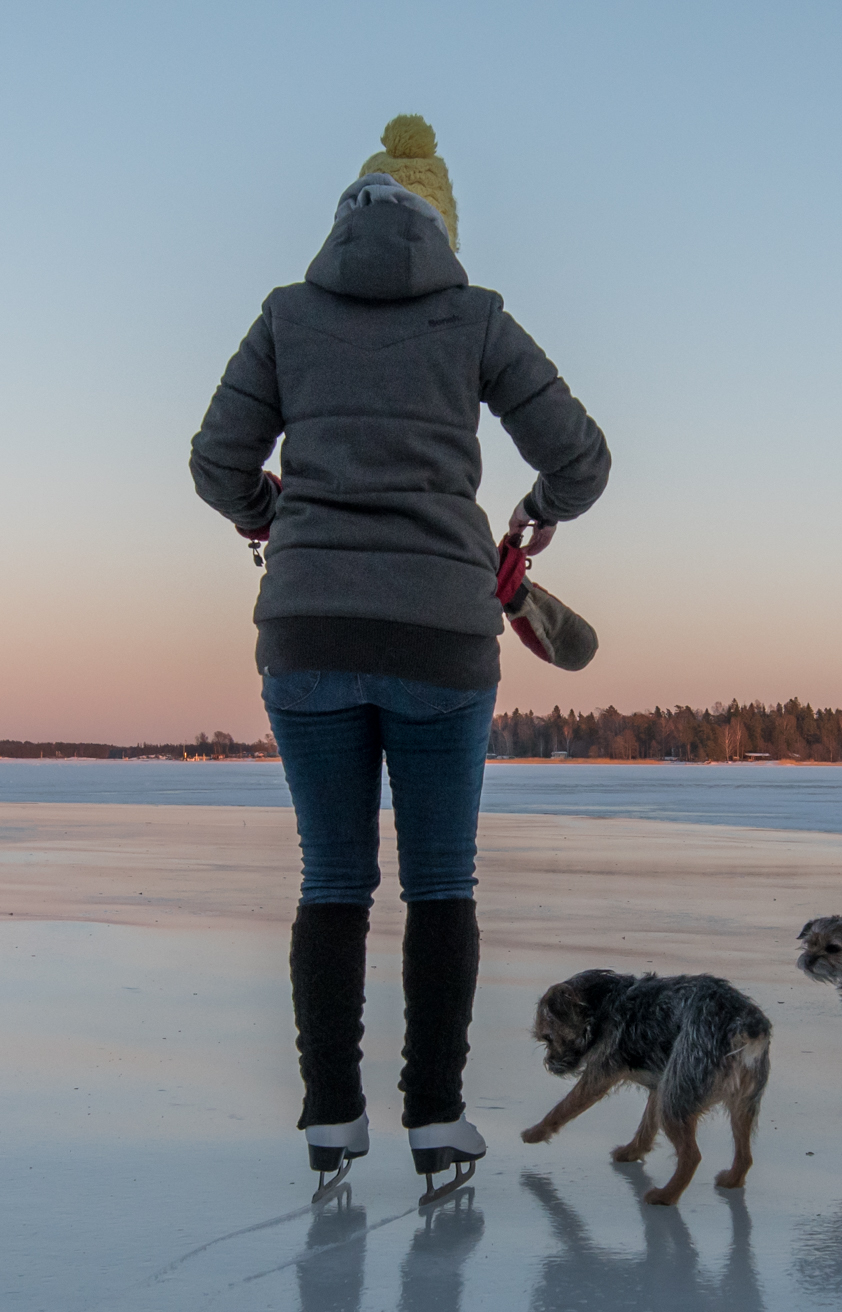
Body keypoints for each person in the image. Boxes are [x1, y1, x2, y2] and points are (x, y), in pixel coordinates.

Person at [190, 115, 609, 1198]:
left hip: (309, 633)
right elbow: (583, 460)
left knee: (332, 879)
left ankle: (331, 1115)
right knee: (440, 884)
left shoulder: (287, 316)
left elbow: (213, 463)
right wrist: (534, 512)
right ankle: (435, 1119)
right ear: (446, 227)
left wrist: (269, 511)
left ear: (346, 216)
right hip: (441, 637)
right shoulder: (475, 319)